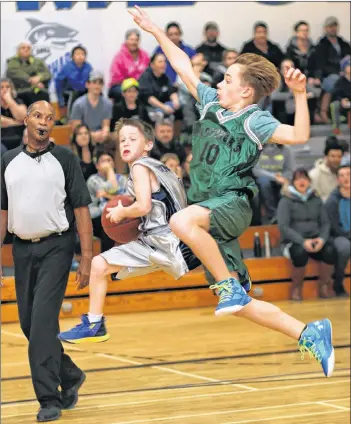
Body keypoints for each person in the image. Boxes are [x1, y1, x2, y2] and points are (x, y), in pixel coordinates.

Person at [127, 6, 335, 378]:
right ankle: (309, 332)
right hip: (207, 214)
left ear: (245, 90)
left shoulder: (254, 118)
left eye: (227, 78)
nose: (219, 82)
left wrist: (300, 95)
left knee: (180, 221)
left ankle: (228, 286)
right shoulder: (210, 103)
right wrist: (155, 30)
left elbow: (300, 136)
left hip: (233, 202)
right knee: (240, 304)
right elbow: (181, 67)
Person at [58, 119, 201, 343]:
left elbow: (143, 205)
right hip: (181, 242)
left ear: (148, 145)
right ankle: (233, 278)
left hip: (161, 242)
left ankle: (95, 325)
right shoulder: (162, 168)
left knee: (99, 264)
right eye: (122, 139)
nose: (126, 143)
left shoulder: (139, 167)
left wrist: (122, 213)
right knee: (101, 266)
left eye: (133, 139)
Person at [0, 101, 93, 422]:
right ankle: (69, 375)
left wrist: (86, 257)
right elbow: (2, 212)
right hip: (22, 250)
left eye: (49, 118)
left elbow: (81, 209)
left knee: (41, 324)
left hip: (58, 247)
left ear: (54, 124)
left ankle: (48, 398)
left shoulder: (65, 158)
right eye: (37, 116)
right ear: (26, 120)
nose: (43, 122)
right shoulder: (8, 160)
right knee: (29, 324)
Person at [277, 168, 336, 301]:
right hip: (295, 241)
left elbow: (325, 223)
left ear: (309, 181)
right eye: (298, 179)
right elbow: (283, 227)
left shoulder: (316, 199)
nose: (301, 181)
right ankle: (297, 288)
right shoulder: (286, 200)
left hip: (316, 238)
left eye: (304, 178)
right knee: (299, 253)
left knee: (331, 250)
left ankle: (323, 286)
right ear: (293, 183)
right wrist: (302, 241)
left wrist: (322, 239)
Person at [325, 164, 351, 297]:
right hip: (337, 235)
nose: (346, 178)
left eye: (348, 174)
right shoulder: (332, 200)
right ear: (338, 180)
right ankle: (338, 283)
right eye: (342, 175)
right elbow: (333, 227)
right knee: (345, 247)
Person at [6, 41, 51, 107]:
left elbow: (47, 74)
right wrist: (31, 80)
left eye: (28, 48)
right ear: (18, 50)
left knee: (44, 100)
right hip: (22, 91)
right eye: (23, 48)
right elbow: (13, 72)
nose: (26, 49)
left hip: (39, 91)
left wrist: (40, 77)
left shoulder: (38, 61)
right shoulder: (13, 61)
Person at [55, 45, 92, 120]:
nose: (80, 56)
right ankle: (71, 118)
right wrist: (61, 100)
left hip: (83, 89)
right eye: (77, 54)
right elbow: (59, 83)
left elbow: (91, 80)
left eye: (82, 54)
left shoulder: (88, 67)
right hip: (69, 90)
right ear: (72, 56)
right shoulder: (67, 67)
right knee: (74, 94)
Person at [309, 137, 344, 201]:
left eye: (339, 156)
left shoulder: (345, 173)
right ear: (326, 157)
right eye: (333, 156)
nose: (336, 159)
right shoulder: (314, 174)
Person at [1, 77, 27, 150]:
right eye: (2, 87)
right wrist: (18, 122)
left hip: (20, 138)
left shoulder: (18, 101)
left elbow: (23, 117)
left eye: (7, 87)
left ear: (12, 89)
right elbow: (1, 121)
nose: (5, 89)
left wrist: (9, 100)